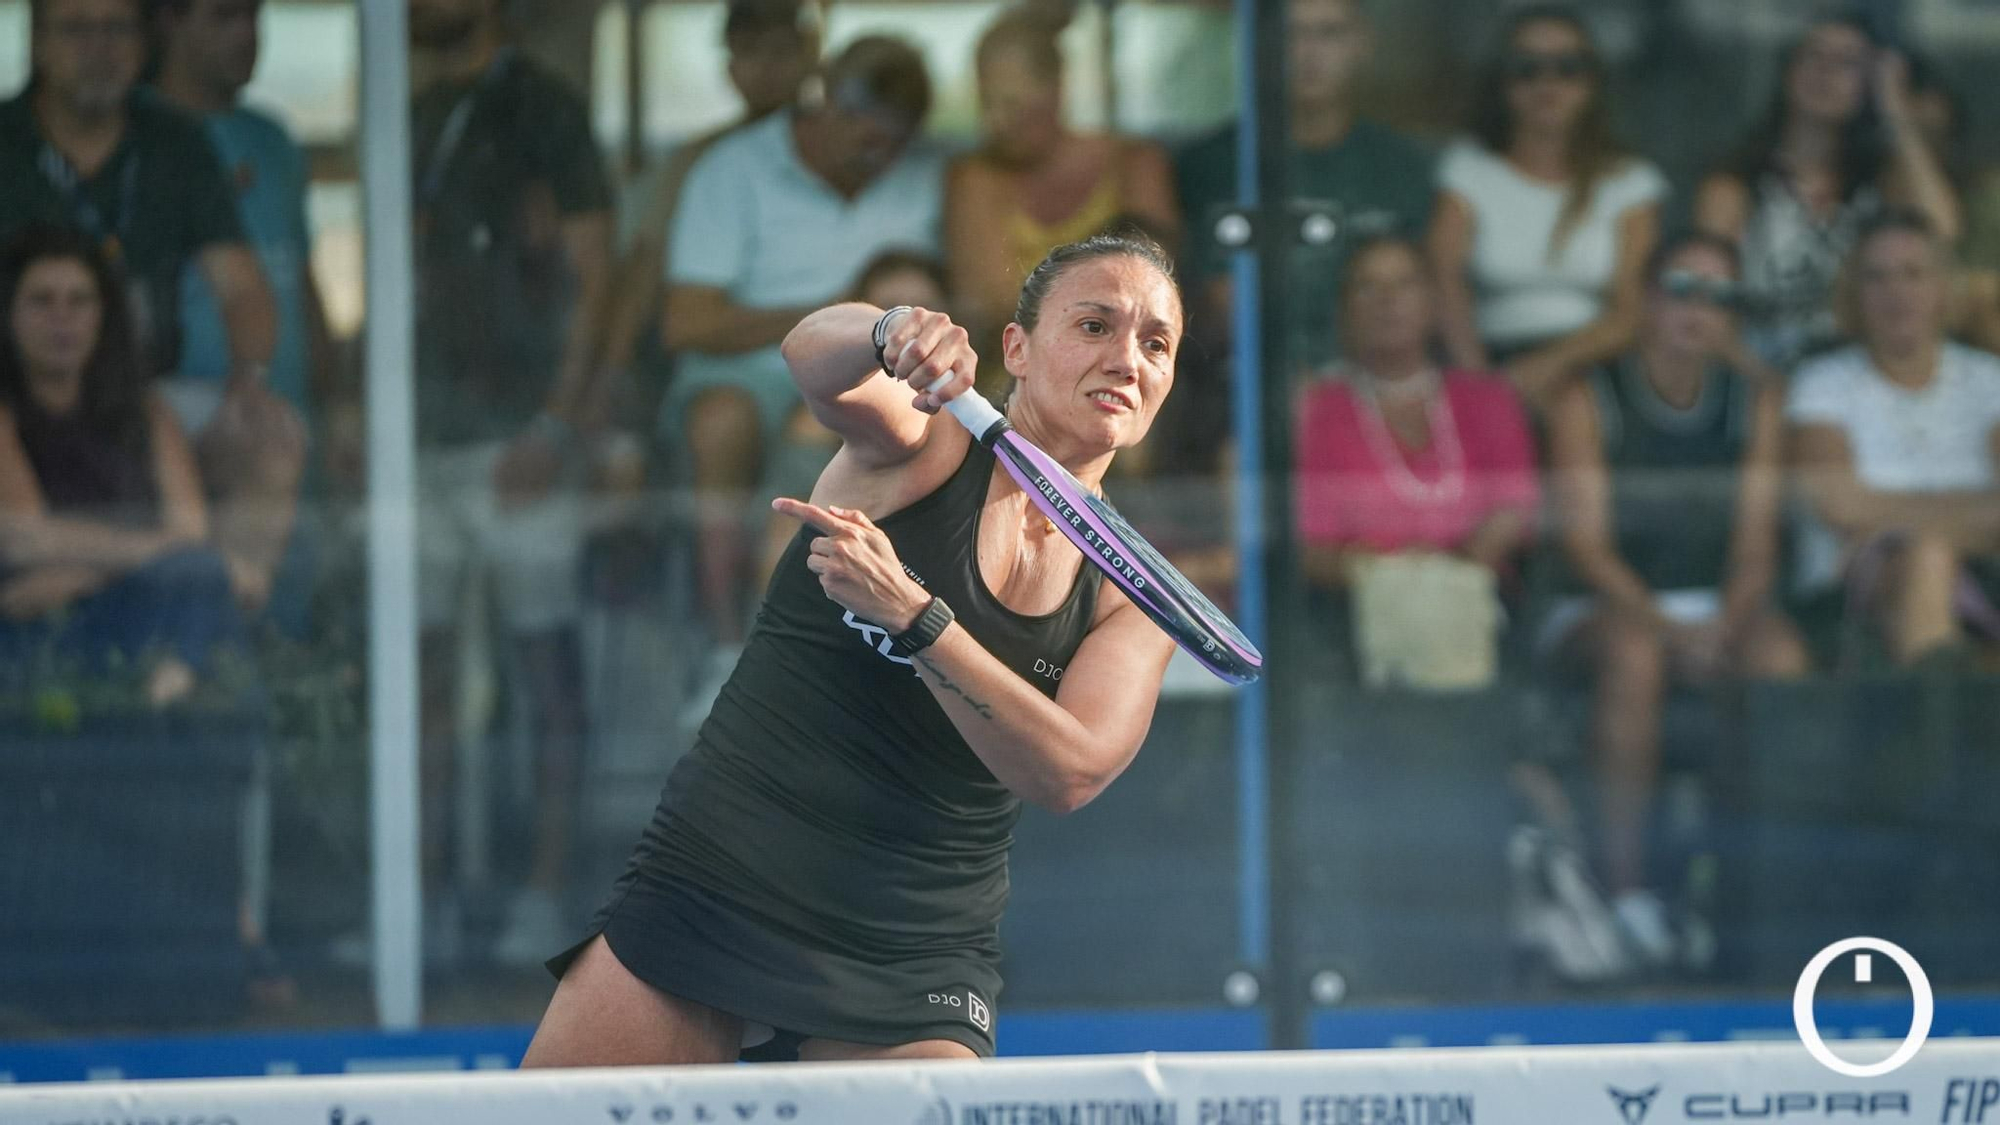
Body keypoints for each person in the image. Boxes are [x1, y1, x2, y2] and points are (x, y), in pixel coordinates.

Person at [523, 233, 1184, 1065]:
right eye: (1095, 325)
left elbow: (1070, 769)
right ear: (1015, 347)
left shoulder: (1133, 591)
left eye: (1154, 342)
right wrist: (889, 330)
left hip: (915, 952)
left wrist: (918, 619)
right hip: (722, 881)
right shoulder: (928, 442)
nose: (1127, 357)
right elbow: (811, 356)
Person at [407, 0, 617, 965]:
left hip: (524, 439)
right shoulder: (410, 106)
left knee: (545, 671)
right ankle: (423, 901)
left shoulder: (544, 106)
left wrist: (558, 421)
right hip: (423, 432)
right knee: (424, 677)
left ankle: (544, 893)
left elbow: (594, 271)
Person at [1543, 231, 1810, 969]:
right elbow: (1587, 548)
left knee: (1781, 659)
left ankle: (1753, 894)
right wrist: (1668, 628)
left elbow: (1756, 543)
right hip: (1601, 609)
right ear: (1649, 300)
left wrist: (1726, 621)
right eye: (1685, 289)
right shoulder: (1587, 394)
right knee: (1636, 657)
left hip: (1714, 608)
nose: (1701, 311)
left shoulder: (1754, 399)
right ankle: (1626, 893)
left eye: (1720, 296)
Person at [662, 35, 943, 678]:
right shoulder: (734, 170)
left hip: (884, 374)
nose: (883, 160)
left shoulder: (924, 175)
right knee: (721, 422)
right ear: (827, 110)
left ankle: (867, 650)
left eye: (898, 145)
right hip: (749, 371)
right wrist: (832, 318)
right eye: (869, 139)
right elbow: (685, 322)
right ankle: (728, 647)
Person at [0, 222, 242, 709]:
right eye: (42, 301)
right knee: (207, 581)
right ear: (8, 314)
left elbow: (189, 535)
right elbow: (25, 539)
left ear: (104, 314)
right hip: (31, 640)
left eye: (79, 301)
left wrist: (79, 571)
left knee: (202, 580)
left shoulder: (148, 412)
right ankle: (162, 711)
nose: (61, 319)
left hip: (129, 609)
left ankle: (162, 702)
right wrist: (157, 556)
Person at [1294, 234, 1540, 684]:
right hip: (1353, 620)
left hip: (1479, 606)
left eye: (1404, 284)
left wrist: (1447, 576)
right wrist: (1394, 579)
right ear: (1345, 308)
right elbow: (1310, 546)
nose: (1388, 301)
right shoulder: (1319, 409)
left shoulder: (1486, 399)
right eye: (1368, 287)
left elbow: (1514, 509)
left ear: (1433, 301)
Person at [0, 0, 276, 398]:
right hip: (14, 392)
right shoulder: (6, 139)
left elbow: (241, 288)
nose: (100, 48)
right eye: (77, 30)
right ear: (37, 41)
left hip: (148, 391)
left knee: (267, 438)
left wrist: (250, 385)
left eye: (118, 29)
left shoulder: (174, 139)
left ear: (144, 40)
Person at [150, 0, 320, 628]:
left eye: (254, 16)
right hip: (185, 421)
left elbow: (301, 282)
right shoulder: (142, 139)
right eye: (225, 17)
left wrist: (338, 401)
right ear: (170, 20)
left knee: (285, 611)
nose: (248, 36)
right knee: (201, 608)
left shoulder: (273, 142)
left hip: (280, 412)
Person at [1174, 0, 1434, 373]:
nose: (1309, 52)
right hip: (1242, 385)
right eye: (1290, 34)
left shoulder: (1401, 164)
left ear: (1362, 43)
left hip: (1375, 384)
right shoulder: (1210, 165)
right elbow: (1210, 305)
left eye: (1329, 33)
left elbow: (1416, 306)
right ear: (1260, 45)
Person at [1428, 4, 1665, 413]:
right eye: (1527, 68)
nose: (1548, 83)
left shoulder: (1628, 181)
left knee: (1575, 406)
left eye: (1568, 67)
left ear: (1592, 81)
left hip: (1595, 364)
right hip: (1488, 360)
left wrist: (1545, 369)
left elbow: (1633, 310)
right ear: (1501, 81)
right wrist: (1482, 386)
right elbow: (1444, 282)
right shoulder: (1468, 169)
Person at [1788, 211, 2000, 666]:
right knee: (1927, 558)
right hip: (1854, 591)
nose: (1897, 293)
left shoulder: (1989, 380)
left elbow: (1865, 507)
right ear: (1854, 294)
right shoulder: (1821, 382)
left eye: (1914, 274)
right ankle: (1939, 720)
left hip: (1987, 577)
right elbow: (1840, 506)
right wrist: (1973, 511)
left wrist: (1886, 511)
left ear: (1943, 287)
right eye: (1877, 277)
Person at [1695, 15, 1959, 371]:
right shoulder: (1735, 186)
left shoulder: (1880, 183)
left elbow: (1940, 230)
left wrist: (1895, 111)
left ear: (1869, 82)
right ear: (1788, 71)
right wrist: (1766, 391)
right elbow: (1704, 305)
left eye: (1847, 63)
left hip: (1862, 380)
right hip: (1759, 376)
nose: (1825, 71)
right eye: (1813, 56)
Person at [595, 0, 821, 410]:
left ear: (810, 57)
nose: (766, 67)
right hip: (723, 364)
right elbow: (647, 263)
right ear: (730, 68)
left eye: (781, 50)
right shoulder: (696, 163)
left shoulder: (839, 157)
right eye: (749, 51)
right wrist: (612, 372)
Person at [946, 6, 1180, 387]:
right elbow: (988, 307)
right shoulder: (975, 177)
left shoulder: (1134, 165)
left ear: (1058, 88)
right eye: (986, 104)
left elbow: (1150, 299)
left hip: (1126, 373)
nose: (996, 122)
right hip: (1013, 380)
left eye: (1013, 105)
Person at [753, 248, 948, 596]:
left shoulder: (975, 415)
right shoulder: (812, 427)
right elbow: (782, 555)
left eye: (923, 310)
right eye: (891, 311)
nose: (909, 330)